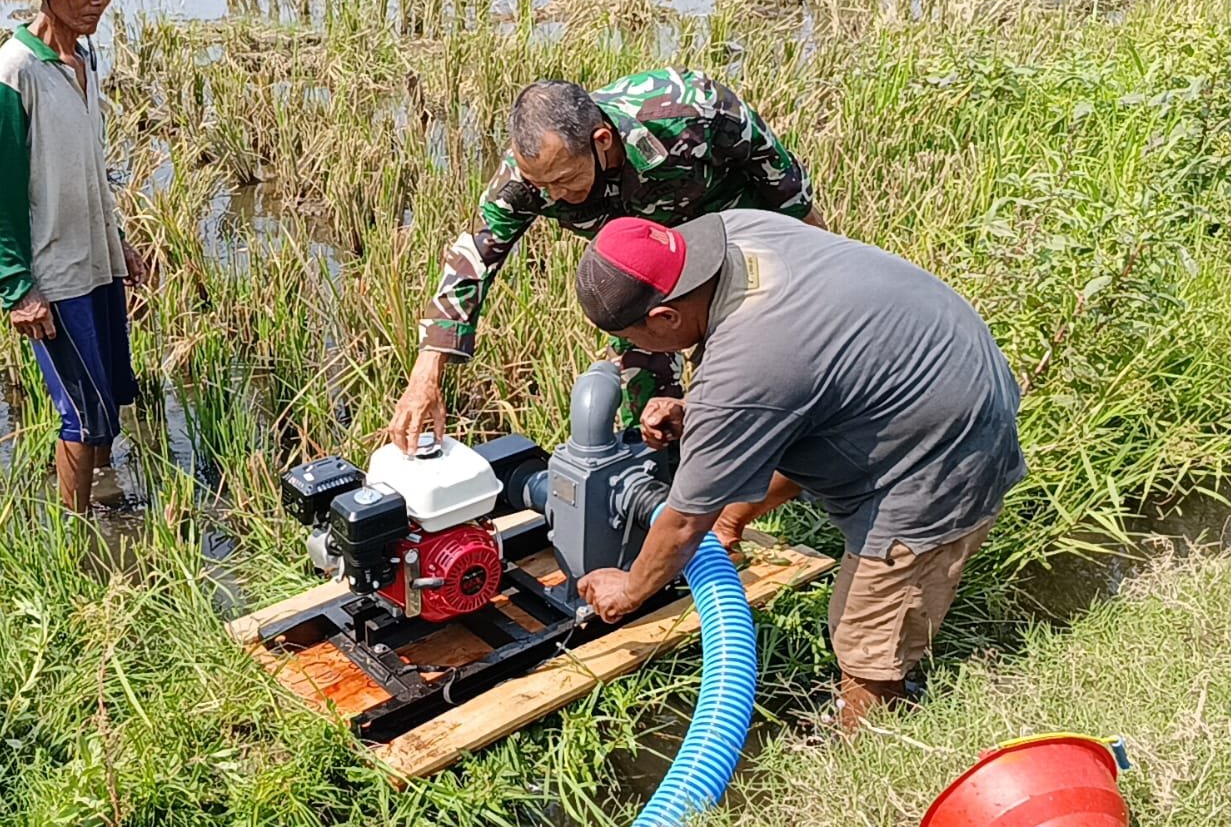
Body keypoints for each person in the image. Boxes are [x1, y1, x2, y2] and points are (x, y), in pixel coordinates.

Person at [571, 212, 1027, 728]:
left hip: (948, 448)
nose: (638, 353)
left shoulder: (751, 365)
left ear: (666, 318)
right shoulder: (737, 231)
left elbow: (681, 525)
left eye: (635, 339)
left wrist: (629, 591)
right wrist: (702, 416)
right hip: (941, 365)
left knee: (865, 634)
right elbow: (812, 370)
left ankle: (869, 745)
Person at [389, 69, 822, 452]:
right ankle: (661, 474)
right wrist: (426, 373)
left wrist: (823, 270)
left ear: (602, 141)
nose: (554, 196)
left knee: (747, 355)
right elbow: (473, 259)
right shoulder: (530, 179)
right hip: (642, 265)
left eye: (565, 180)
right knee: (647, 393)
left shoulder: (688, 111)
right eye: (543, 186)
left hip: (727, 232)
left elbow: (783, 185)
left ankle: (766, 465)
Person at [0, 0, 148, 512]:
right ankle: (79, 538)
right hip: (55, 277)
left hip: (95, 263)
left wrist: (118, 243)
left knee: (107, 399)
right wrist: (18, 288)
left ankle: (101, 493)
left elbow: (87, 169)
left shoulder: (84, 57)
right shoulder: (13, 73)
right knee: (79, 411)